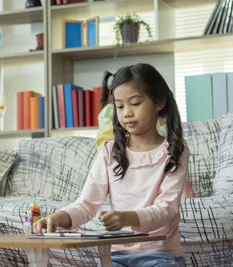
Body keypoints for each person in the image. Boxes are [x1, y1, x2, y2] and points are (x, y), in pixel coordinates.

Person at [34, 63, 188, 266]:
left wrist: (128, 218)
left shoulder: (175, 150)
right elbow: (86, 204)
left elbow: (167, 210)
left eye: (135, 103)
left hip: (160, 255)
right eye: (120, 106)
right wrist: (59, 217)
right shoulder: (110, 151)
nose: (127, 113)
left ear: (158, 102)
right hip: (115, 257)